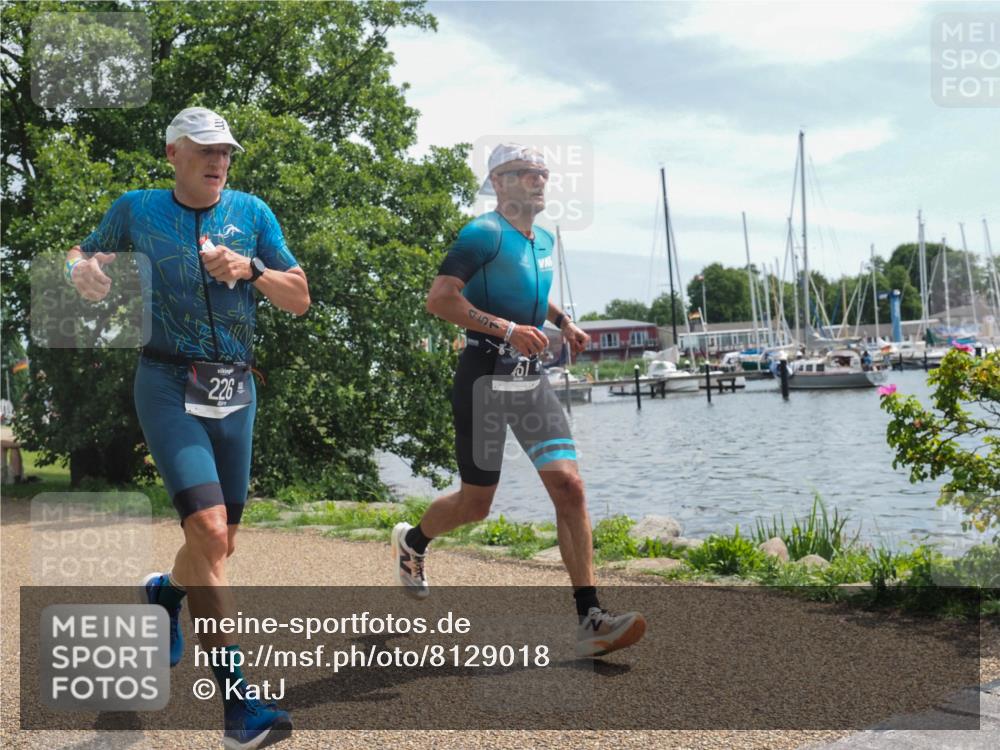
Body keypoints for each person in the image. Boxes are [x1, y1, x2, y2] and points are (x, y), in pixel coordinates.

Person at [66, 107, 309, 749]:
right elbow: (83, 253)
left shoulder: (254, 214)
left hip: (235, 387)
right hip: (167, 382)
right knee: (204, 529)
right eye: (204, 149)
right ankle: (239, 709)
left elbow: (300, 296)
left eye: (225, 150)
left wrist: (251, 271)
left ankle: (165, 595)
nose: (218, 159)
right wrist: (80, 271)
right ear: (173, 152)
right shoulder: (137, 207)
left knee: (220, 543)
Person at [391, 143, 646, 658]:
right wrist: (506, 329)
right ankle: (413, 541)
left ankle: (589, 617)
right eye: (527, 173)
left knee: (570, 487)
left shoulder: (544, 238)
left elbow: (528, 287)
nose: (540, 180)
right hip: (483, 376)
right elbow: (440, 298)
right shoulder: (481, 233)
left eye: (543, 173)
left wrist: (562, 321)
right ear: (499, 182)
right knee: (476, 504)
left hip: (530, 380)